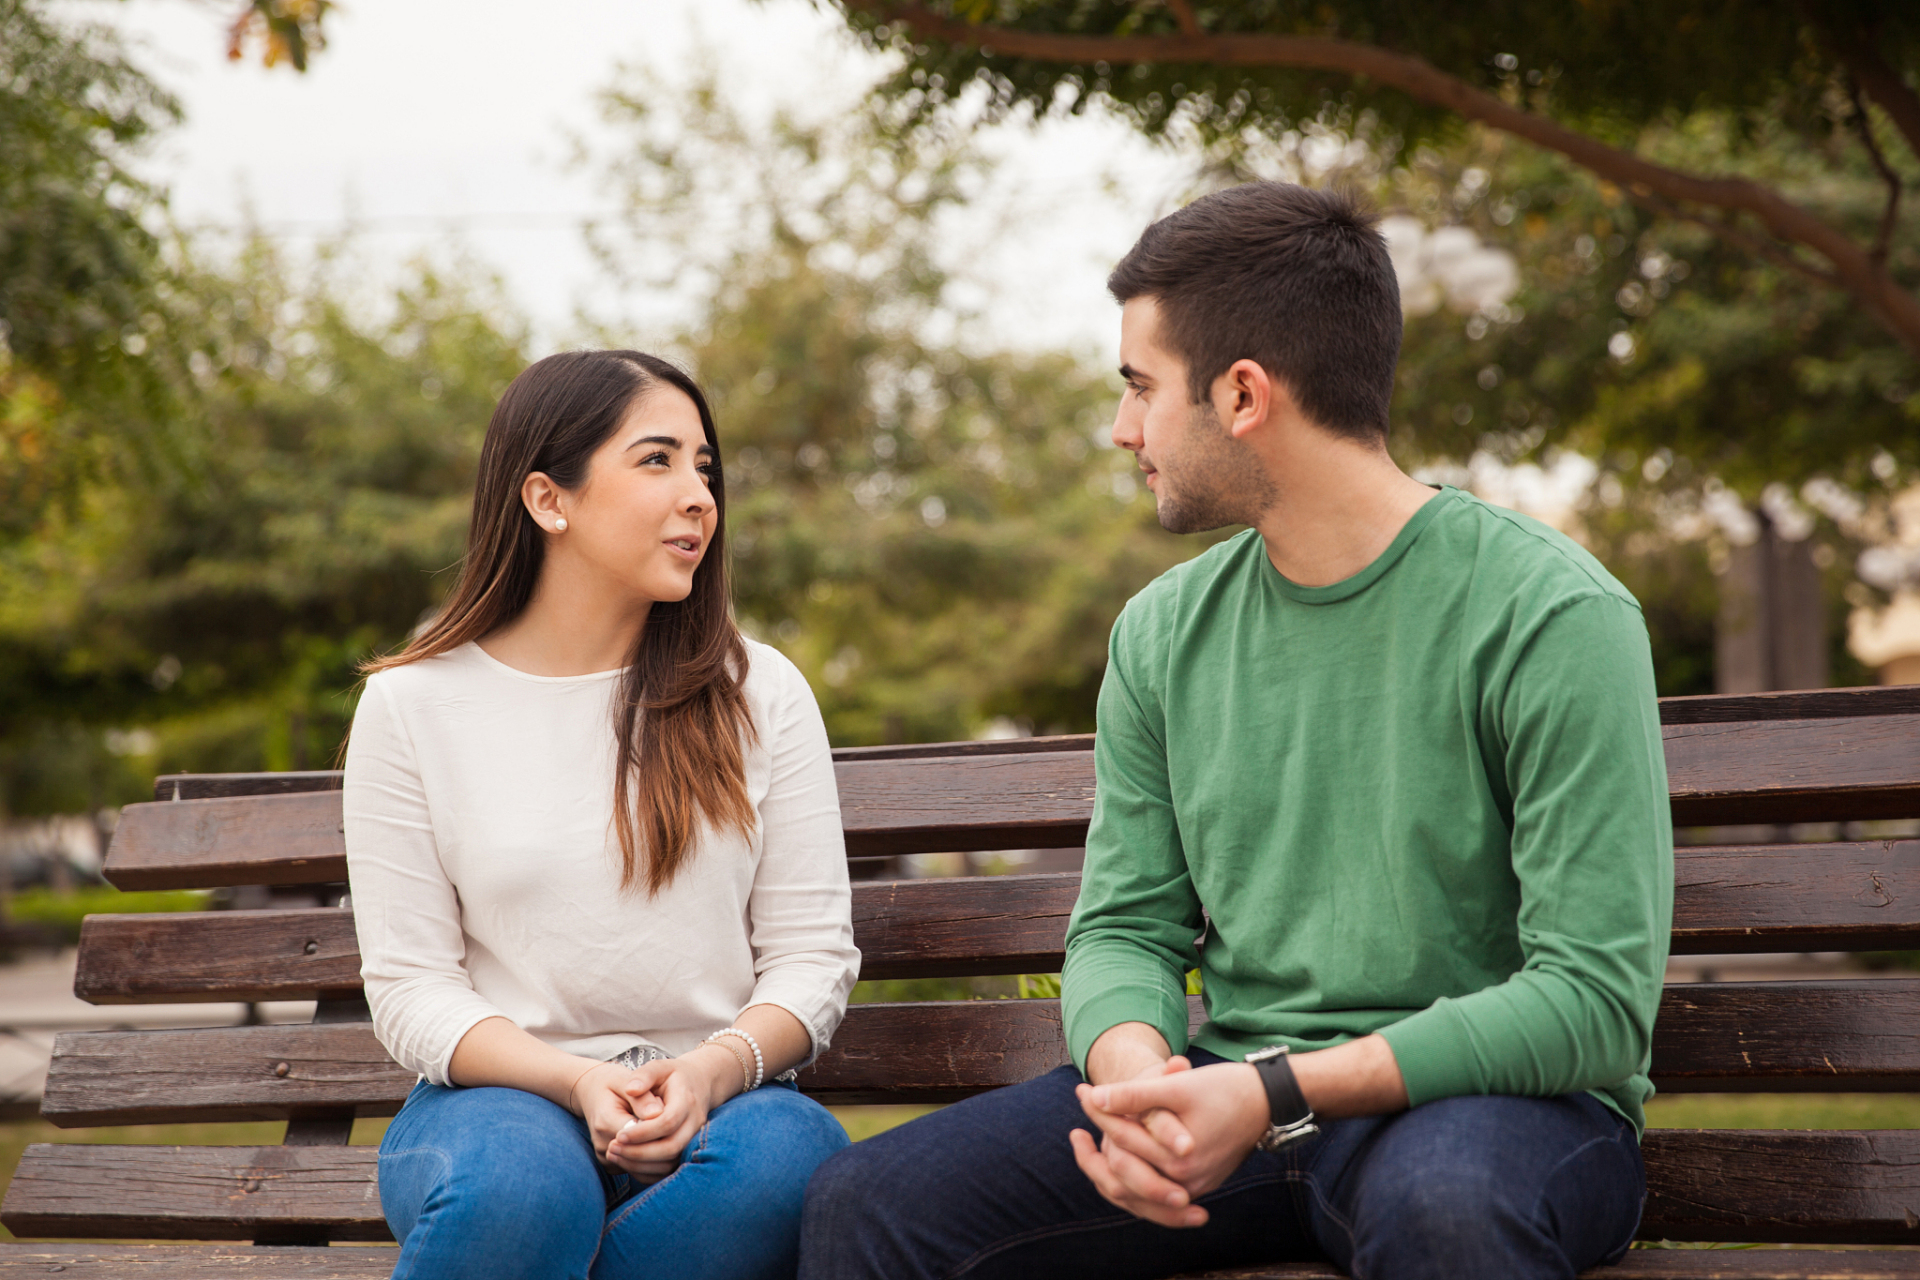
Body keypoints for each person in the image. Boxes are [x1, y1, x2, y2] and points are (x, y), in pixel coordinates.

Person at [800, 183, 1671, 1280]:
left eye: (1140, 386)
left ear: (1244, 393)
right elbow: (1124, 924)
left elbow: (1592, 1003)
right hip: (1231, 1096)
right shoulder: (1164, 633)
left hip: (1498, 1108)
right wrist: (1139, 1082)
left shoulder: (1551, 613)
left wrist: (1270, 1089)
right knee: (867, 1207)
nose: (1123, 428)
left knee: (1448, 1212)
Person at [344, 349, 860, 1280]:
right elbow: (411, 986)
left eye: (705, 467)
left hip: (728, 1098)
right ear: (549, 499)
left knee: (796, 1165)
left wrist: (710, 1071)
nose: (699, 495)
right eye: (657, 460)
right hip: (501, 1102)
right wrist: (577, 1080)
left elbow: (812, 960)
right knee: (519, 1197)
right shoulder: (412, 703)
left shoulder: (761, 691)